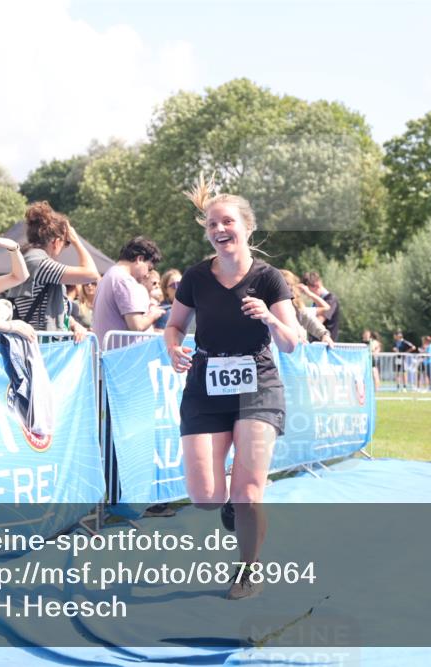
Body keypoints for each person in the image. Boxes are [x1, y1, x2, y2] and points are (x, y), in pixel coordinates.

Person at [164, 175, 299, 600]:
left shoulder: (269, 279)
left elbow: (291, 343)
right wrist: (173, 349)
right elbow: (174, 325)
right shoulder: (195, 277)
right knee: (205, 496)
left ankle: (247, 568)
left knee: (247, 493)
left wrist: (269, 317)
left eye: (227, 222)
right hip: (205, 384)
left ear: (247, 227)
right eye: (212, 224)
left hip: (258, 385)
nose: (219, 230)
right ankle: (229, 501)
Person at [7, 202, 98, 342]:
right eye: (66, 243)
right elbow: (91, 274)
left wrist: (74, 324)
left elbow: (51, 306)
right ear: (56, 241)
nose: (64, 248)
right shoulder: (38, 262)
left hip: (37, 341)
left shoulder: (30, 258)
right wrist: (76, 241)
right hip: (40, 344)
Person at [92, 236, 164, 346]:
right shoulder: (124, 280)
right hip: (122, 354)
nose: (147, 274)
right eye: (149, 268)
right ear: (140, 259)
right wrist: (153, 314)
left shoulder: (110, 275)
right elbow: (137, 326)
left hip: (111, 352)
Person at [279, 269, 333, 346]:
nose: (289, 289)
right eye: (284, 285)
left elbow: (310, 319)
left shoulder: (297, 308)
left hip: (298, 350)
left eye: (290, 285)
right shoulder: (268, 308)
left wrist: (324, 334)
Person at [301, 271, 340, 341]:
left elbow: (318, 322)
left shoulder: (331, 300)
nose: (307, 295)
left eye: (309, 291)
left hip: (325, 344)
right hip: (315, 343)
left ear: (317, 285)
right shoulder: (316, 301)